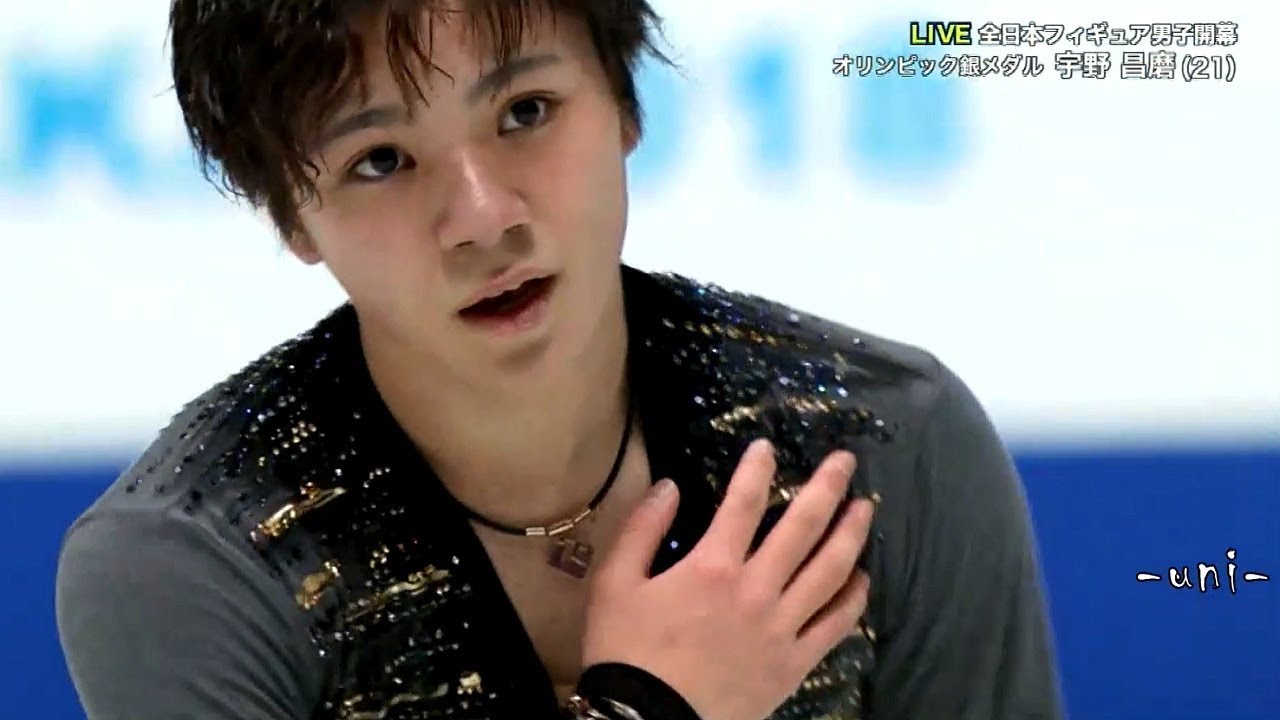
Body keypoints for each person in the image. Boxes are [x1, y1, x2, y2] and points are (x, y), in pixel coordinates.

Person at [54, 1, 1066, 719]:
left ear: (625, 104)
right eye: (381, 160)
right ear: (291, 214)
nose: (483, 218)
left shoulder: (880, 442)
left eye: (525, 111)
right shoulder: (201, 566)